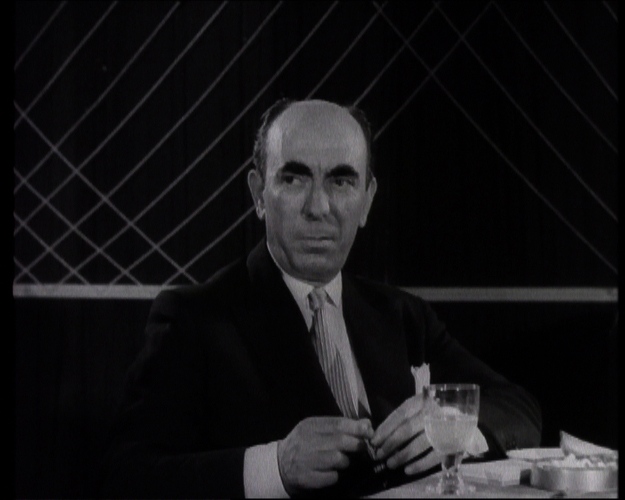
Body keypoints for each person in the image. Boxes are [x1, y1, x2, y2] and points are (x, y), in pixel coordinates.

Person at [100, 98, 541, 498]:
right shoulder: (194, 318)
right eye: (294, 179)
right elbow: (126, 476)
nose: (318, 207)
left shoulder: (403, 315)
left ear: (366, 201)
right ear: (258, 194)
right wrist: (274, 466)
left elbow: (518, 408)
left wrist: (456, 433)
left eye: (341, 181)